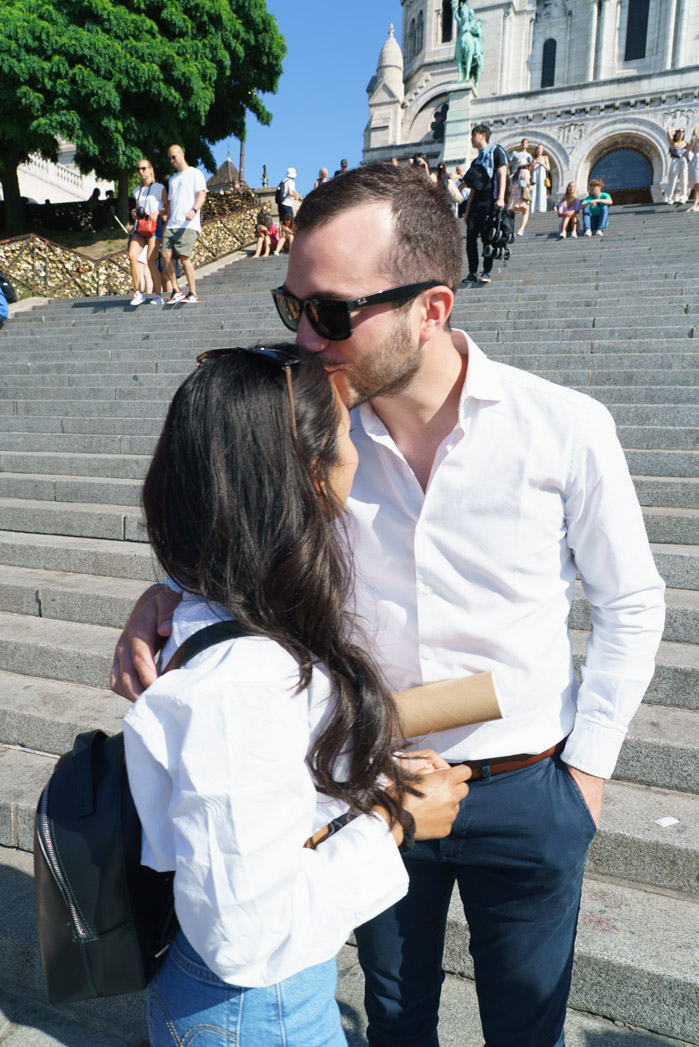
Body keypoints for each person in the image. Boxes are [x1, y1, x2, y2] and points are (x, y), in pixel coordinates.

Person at [112, 162, 666, 1047]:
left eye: (330, 312)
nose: (302, 335)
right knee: (395, 1015)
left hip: (527, 782)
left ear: (431, 308)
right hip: (364, 782)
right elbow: (244, 525)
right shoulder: (306, 431)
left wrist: (586, 776)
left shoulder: (562, 426)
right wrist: (173, 592)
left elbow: (630, 601)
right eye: (289, 305)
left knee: (528, 1022)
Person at [122, 344, 469, 1047]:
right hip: (255, 1008)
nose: (357, 452)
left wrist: (368, 782)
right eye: (346, 435)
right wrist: (394, 822)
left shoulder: (213, 606)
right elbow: (244, 933)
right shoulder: (246, 681)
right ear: (310, 476)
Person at [161, 144, 207, 305]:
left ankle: (193, 292)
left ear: (182, 154)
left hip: (188, 223)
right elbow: (171, 204)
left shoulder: (195, 173)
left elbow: (201, 195)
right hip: (173, 223)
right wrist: (166, 223)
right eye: (170, 158)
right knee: (165, 254)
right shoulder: (173, 179)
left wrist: (194, 210)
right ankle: (176, 290)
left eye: (174, 157)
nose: (172, 161)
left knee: (183, 256)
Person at [462, 123, 508, 283]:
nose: (471, 139)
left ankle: (486, 271)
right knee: (470, 238)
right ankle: (472, 272)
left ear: (482, 135)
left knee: (488, 237)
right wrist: (467, 211)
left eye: (473, 135)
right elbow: (473, 188)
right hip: (476, 204)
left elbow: (502, 173)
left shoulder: (497, 151)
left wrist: (501, 197)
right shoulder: (476, 161)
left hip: (491, 199)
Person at [128, 159, 167, 307]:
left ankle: (158, 295)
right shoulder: (137, 190)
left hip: (154, 225)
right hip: (140, 226)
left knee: (151, 261)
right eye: (139, 169)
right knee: (132, 255)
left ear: (151, 170)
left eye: (144, 168)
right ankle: (138, 291)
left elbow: (168, 208)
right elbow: (138, 209)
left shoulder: (160, 188)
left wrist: (158, 212)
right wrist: (134, 214)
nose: (141, 172)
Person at [666, 127, 689, 204]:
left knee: (684, 179)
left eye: (682, 132)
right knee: (673, 179)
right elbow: (668, 132)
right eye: (679, 131)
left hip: (684, 161)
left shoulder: (686, 143)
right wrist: (675, 129)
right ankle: (670, 197)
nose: (680, 133)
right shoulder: (673, 143)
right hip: (675, 161)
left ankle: (683, 197)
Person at [508, 160, 532, 236]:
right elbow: (526, 182)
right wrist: (530, 186)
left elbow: (510, 187)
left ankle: (509, 229)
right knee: (525, 212)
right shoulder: (526, 172)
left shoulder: (514, 175)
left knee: (512, 211)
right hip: (522, 194)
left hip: (513, 195)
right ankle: (521, 229)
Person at [530, 143, 551, 213]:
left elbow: (548, 168)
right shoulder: (534, 159)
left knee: (542, 191)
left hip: (542, 176)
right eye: (538, 148)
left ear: (542, 150)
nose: (539, 150)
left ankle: (541, 209)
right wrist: (532, 165)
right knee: (534, 192)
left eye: (541, 148)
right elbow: (530, 170)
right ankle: (532, 209)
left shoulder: (545, 158)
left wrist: (542, 164)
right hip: (534, 176)